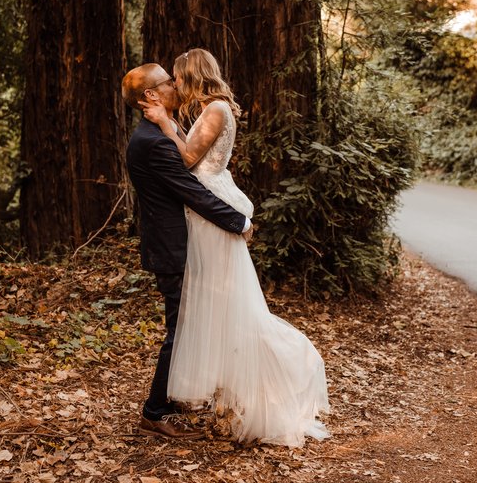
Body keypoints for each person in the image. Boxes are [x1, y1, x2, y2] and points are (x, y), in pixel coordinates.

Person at [139, 48, 330, 447]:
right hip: (206, 215)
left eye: (178, 76)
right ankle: (216, 393)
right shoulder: (213, 108)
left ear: (192, 76)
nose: (175, 84)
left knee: (227, 306)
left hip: (211, 215)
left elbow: (188, 159)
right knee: (212, 306)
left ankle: (280, 372)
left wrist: (165, 122)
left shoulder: (215, 111)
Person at [121, 63, 254, 439]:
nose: (176, 85)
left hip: (176, 244)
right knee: (179, 329)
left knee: (184, 325)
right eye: (168, 82)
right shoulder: (153, 143)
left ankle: (170, 399)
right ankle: (154, 412)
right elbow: (191, 191)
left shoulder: (155, 134)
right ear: (150, 95)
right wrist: (238, 221)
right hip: (173, 248)